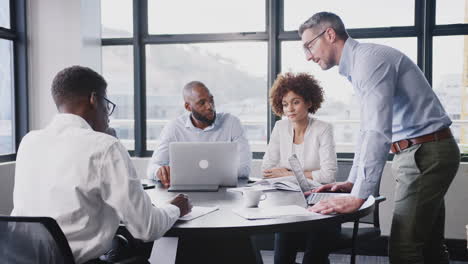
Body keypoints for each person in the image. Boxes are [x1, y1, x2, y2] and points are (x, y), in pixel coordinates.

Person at [299, 12, 460, 263]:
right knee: (429, 246)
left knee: (404, 250)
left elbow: (377, 132)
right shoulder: (361, 64)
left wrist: (359, 196)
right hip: (424, 152)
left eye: (309, 45)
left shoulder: (369, 62)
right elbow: (366, 130)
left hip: (425, 154)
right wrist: (352, 182)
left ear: (329, 34)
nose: (308, 56)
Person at [11, 65, 192, 264]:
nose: (108, 113)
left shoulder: (29, 141)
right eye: (107, 104)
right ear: (94, 99)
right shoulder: (105, 147)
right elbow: (147, 228)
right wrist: (175, 208)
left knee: (120, 244)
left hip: (22, 258)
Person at [263, 72, 339, 264]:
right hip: (288, 206)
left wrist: (288, 173)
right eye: (285, 104)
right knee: (281, 261)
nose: (290, 109)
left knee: (313, 259)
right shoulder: (280, 128)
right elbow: (267, 170)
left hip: (320, 206)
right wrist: (308, 176)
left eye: (295, 102)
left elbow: (328, 176)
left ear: (309, 102)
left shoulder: (323, 129)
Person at [147, 81, 252, 187]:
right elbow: (152, 168)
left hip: (225, 191)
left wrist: (200, 176)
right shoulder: (174, 127)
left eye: (211, 100)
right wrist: (159, 172)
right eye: (202, 103)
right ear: (188, 107)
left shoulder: (232, 123)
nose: (209, 106)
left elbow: (244, 168)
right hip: (184, 192)